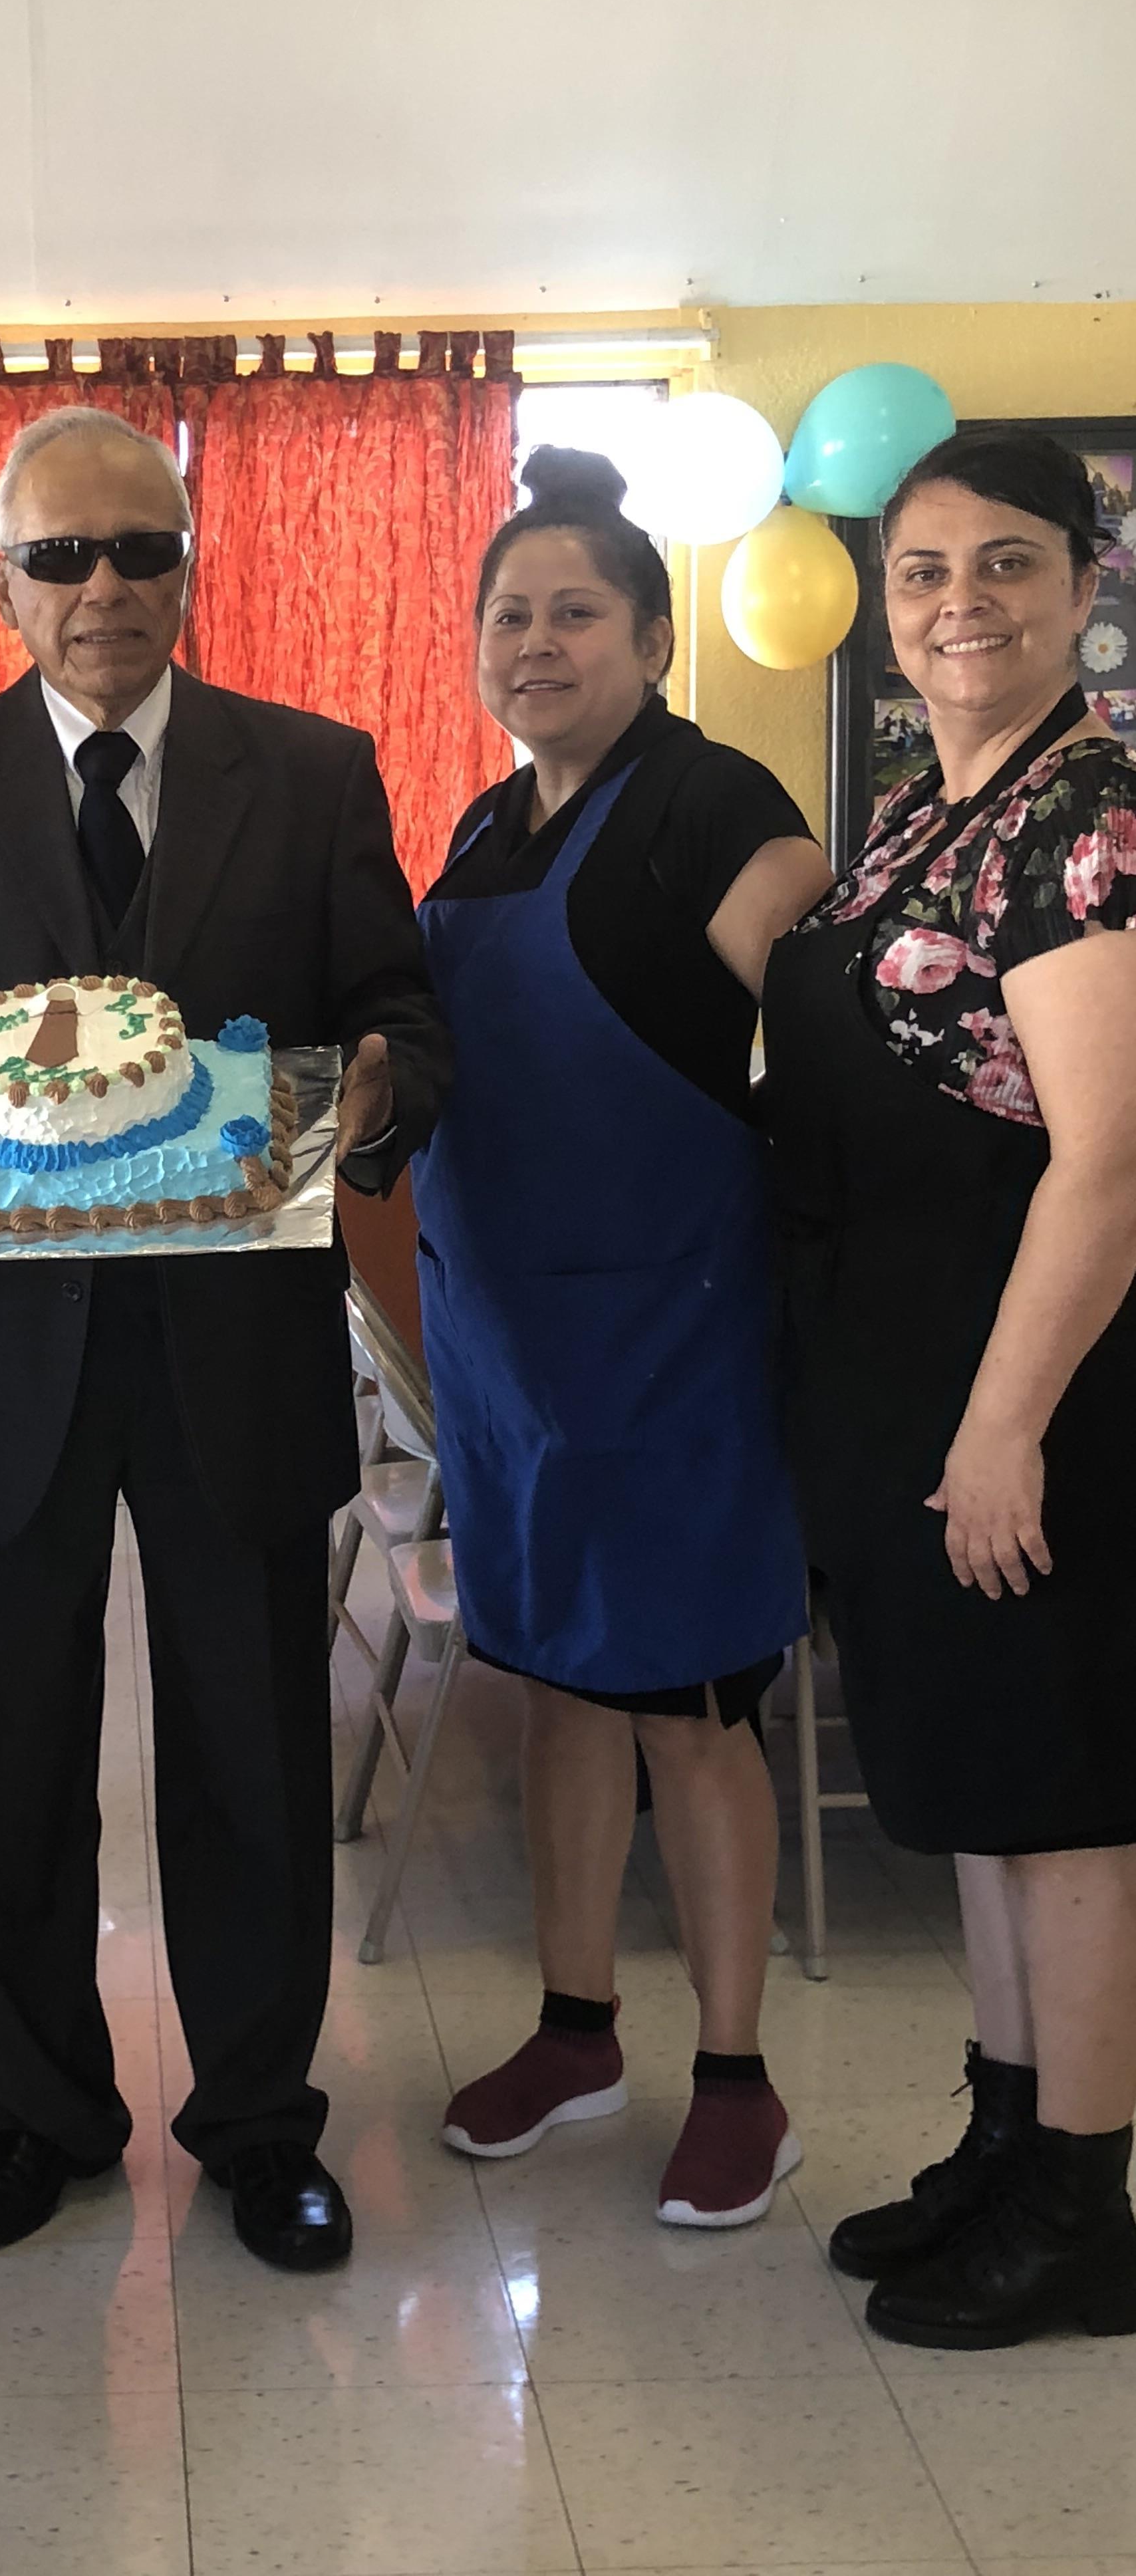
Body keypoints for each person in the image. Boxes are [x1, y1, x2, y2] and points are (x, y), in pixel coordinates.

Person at [0, 406, 449, 2270]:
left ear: (188, 567)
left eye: (142, 549)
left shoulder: (311, 773)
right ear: (1, 582)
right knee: (17, 1761)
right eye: (61, 556)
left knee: (253, 1749)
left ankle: (259, 2119)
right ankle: (43, 2115)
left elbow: (402, 1011)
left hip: (235, 1351)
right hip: (1, 1359)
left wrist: (380, 1091)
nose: (104, 589)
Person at [416, 448, 832, 2227]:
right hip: (511, 1356)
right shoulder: (480, 829)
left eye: (576, 611)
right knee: (556, 1690)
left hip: (672, 1346)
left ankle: (739, 2080)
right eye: (509, 613)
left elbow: (830, 1030)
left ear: (653, 640)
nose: (536, 642)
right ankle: (575, 2030)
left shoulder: (710, 803)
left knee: (688, 1711)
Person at [763, 425, 1136, 2349]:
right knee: (984, 1784)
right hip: (902, 1372)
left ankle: (1085, 2202)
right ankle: (1004, 2141)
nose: (959, 603)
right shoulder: (927, 802)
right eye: (923, 571)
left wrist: (1002, 1432)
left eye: (1006, 563)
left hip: (1033, 1389)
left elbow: (1110, 1166)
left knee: (1062, 1796)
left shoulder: (1095, 817)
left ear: (1085, 585)